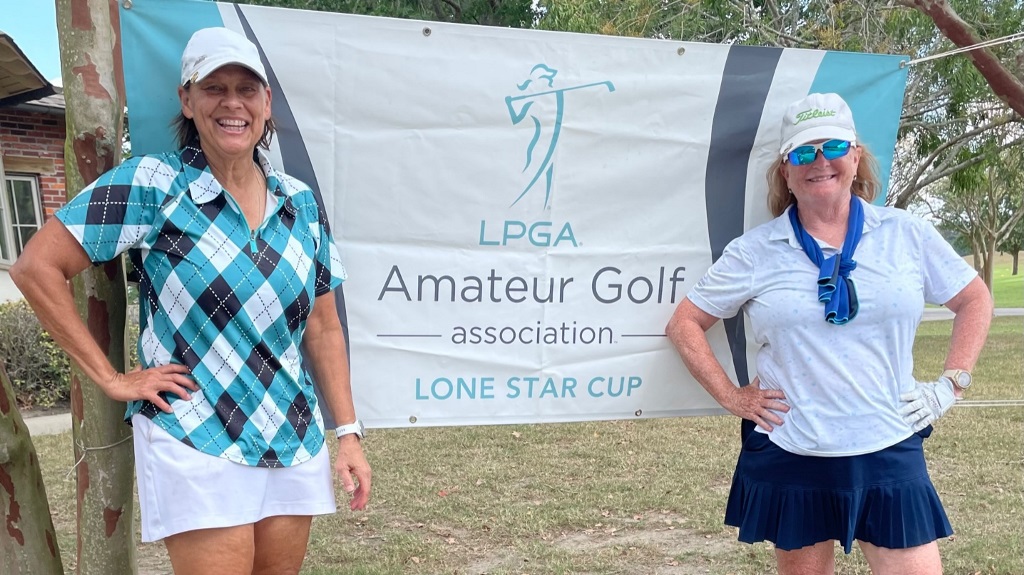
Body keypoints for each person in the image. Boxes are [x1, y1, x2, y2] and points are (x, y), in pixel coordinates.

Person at [11, 27, 371, 575]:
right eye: (214, 88)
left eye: (247, 90)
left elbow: (323, 328)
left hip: (291, 433)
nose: (233, 104)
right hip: (196, 431)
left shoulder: (299, 202)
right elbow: (35, 267)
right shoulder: (155, 183)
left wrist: (347, 435)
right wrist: (111, 379)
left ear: (266, 103)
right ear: (186, 98)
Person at [665, 92, 992, 575]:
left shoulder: (906, 234)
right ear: (786, 171)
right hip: (792, 447)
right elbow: (685, 322)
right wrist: (733, 397)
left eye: (833, 147)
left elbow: (974, 299)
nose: (819, 162)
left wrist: (953, 382)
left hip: (888, 442)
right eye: (802, 153)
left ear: (855, 156)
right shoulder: (756, 250)